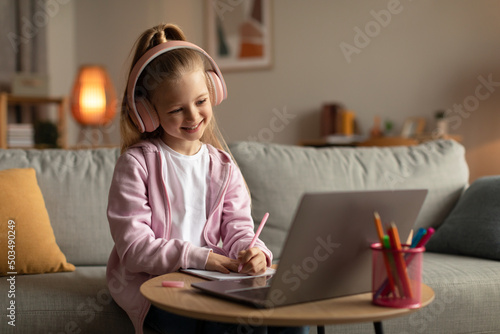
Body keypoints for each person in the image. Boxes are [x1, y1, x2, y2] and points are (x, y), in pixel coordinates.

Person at [106, 23, 309, 334]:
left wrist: (254, 252)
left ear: (213, 92)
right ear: (147, 112)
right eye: (177, 109)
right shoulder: (136, 164)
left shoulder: (223, 166)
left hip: (214, 281)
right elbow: (134, 249)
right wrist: (201, 259)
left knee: (290, 319)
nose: (193, 116)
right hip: (158, 285)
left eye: (201, 101)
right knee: (222, 324)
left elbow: (238, 229)